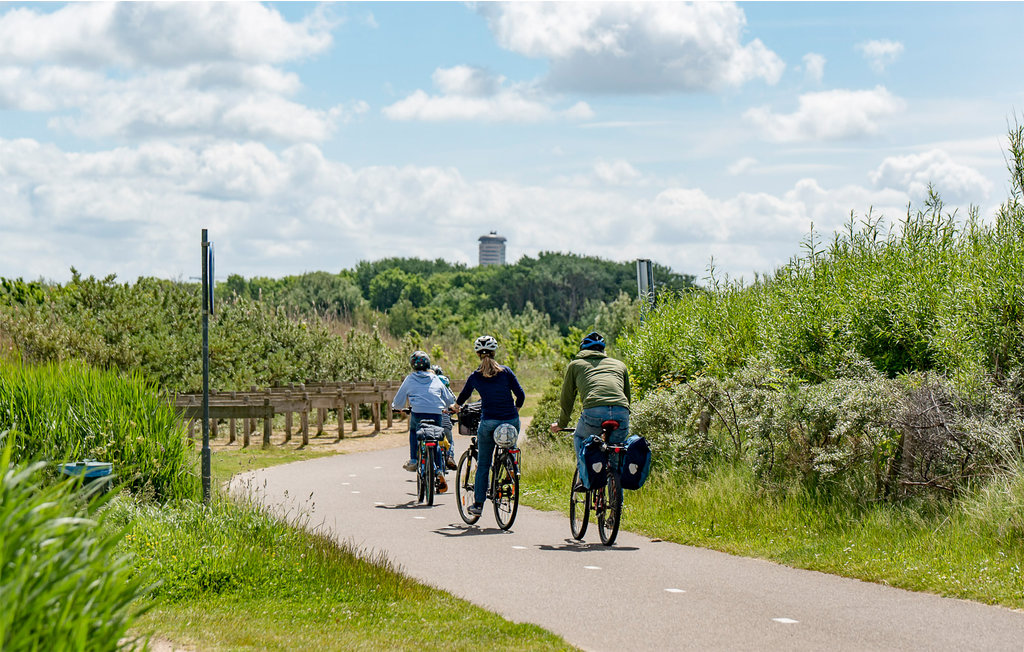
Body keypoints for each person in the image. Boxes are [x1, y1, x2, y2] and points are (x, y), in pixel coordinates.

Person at [452, 335, 525, 516]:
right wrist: (514, 409)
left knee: (484, 463)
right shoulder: (506, 372)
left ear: (478, 354)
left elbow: (462, 397)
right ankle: (510, 467)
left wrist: (455, 407)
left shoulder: (475, 376)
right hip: (510, 421)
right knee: (510, 445)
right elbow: (521, 395)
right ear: (494, 352)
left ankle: (478, 505)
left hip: (489, 422)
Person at [549, 331, 631, 485]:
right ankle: (616, 504)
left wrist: (561, 424)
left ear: (583, 350)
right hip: (621, 412)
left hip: (594, 412)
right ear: (603, 350)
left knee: (580, 438)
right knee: (615, 462)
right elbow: (627, 397)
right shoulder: (620, 365)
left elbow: (567, 399)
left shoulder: (575, 365)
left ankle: (584, 478)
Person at [392, 350, 456, 493]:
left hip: (418, 413)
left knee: (414, 431)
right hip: (436, 414)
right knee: (436, 439)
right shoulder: (435, 378)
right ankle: (439, 470)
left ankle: (414, 459)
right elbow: (449, 400)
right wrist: (449, 407)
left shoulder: (410, 379)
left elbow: (399, 399)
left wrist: (396, 408)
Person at [431, 364, 458, 470]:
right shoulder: (447, 388)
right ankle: (450, 456)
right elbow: (454, 401)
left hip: (433, 421)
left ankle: (431, 463)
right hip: (446, 421)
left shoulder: (430, 388)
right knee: (450, 441)